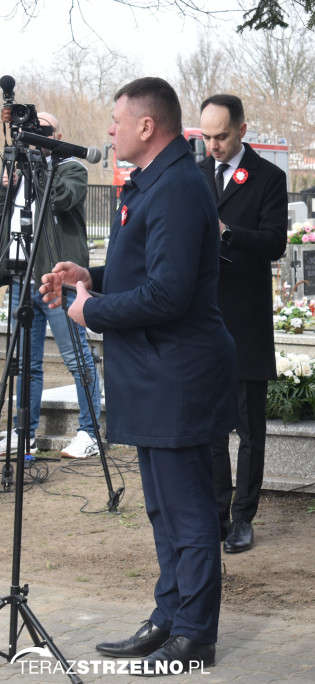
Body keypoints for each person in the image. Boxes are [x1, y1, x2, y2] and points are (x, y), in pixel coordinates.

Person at [40, 77, 236, 674]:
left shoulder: (176, 185)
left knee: (188, 510)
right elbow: (146, 265)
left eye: (117, 120)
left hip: (176, 373)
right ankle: (168, 616)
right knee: (162, 508)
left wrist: (89, 310)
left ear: (146, 126)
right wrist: (92, 275)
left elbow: (170, 293)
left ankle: (195, 634)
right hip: (154, 372)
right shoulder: (156, 180)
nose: (109, 130)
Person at [199, 94, 287, 554]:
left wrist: (227, 232)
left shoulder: (268, 178)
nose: (213, 145)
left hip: (247, 322)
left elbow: (275, 242)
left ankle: (242, 518)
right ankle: (213, 513)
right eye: (207, 137)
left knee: (250, 431)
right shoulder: (194, 177)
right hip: (204, 320)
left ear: (242, 130)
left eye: (222, 136)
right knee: (211, 428)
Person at [1, 111, 102, 458]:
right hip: (22, 277)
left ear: (57, 136)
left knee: (77, 358)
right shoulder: (21, 173)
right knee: (25, 363)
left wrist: (37, 162)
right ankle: (22, 433)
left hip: (59, 280)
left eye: (44, 131)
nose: (36, 137)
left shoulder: (72, 168)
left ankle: (89, 433)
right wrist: (7, 184)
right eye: (33, 131)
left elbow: (60, 199)